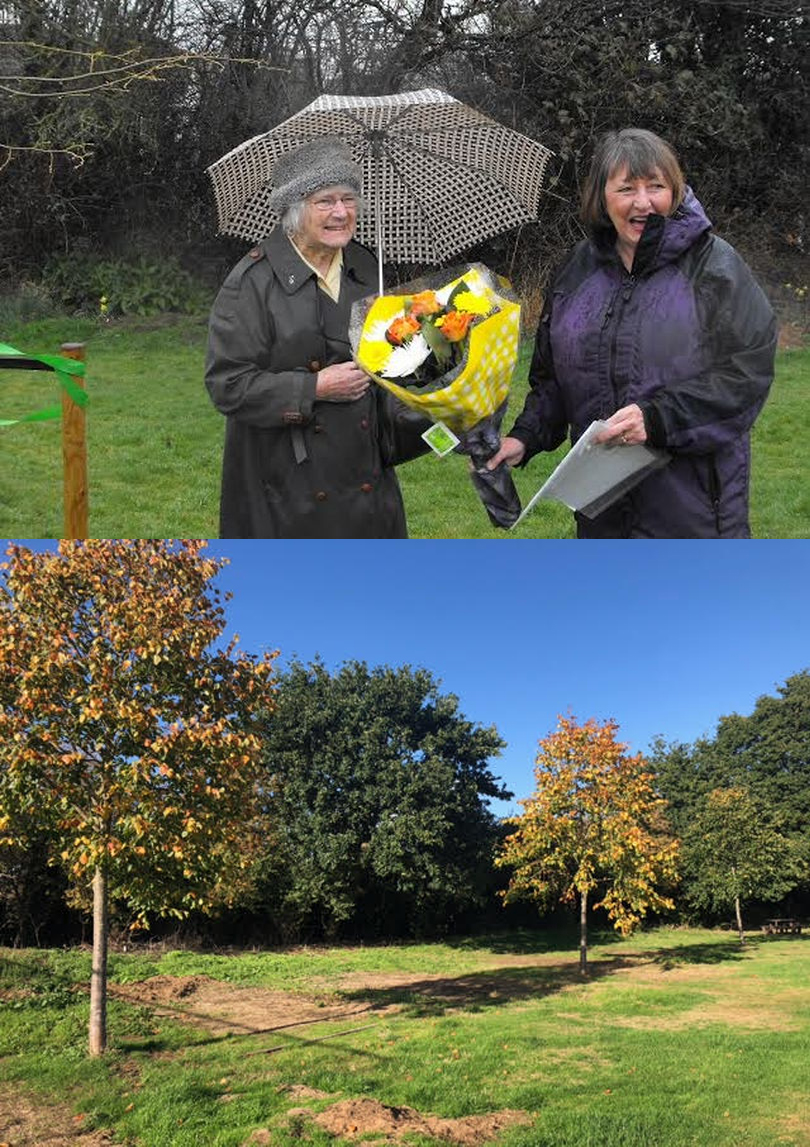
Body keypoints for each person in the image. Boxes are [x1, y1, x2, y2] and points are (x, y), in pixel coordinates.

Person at [488, 128, 777, 538]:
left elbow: (747, 374)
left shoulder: (713, 267)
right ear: (602, 198)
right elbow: (554, 381)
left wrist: (658, 419)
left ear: (674, 190)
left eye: (656, 186)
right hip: (602, 515)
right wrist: (525, 438)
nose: (643, 202)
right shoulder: (575, 272)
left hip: (693, 513)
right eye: (626, 188)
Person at [205, 137, 428, 538]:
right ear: (293, 210)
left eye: (348, 199)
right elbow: (228, 386)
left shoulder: (366, 267)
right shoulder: (252, 283)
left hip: (366, 489)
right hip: (289, 495)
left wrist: (440, 403)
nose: (341, 213)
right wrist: (315, 387)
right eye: (325, 201)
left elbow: (389, 376)